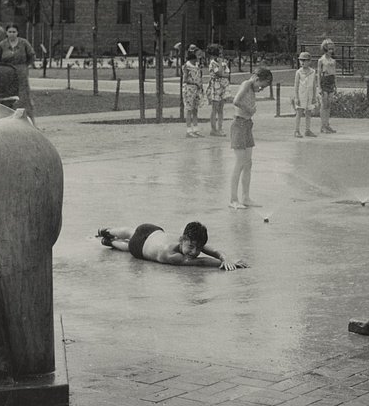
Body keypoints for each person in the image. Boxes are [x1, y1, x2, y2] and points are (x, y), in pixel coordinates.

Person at [95, 221, 247, 271]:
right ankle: (108, 236)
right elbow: (201, 262)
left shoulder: (189, 242)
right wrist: (223, 263)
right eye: (192, 247)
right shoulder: (172, 256)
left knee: (129, 235)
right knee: (129, 242)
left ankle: (107, 236)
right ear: (182, 239)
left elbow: (210, 249)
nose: (195, 252)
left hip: (149, 236)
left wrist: (227, 257)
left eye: (198, 248)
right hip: (142, 242)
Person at [229, 67, 273, 210]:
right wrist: (249, 109)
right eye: (261, 85)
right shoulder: (247, 84)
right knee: (240, 163)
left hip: (247, 125)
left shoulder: (252, 87)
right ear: (256, 78)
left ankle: (246, 197)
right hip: (239, 124)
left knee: (248, 163)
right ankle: (233, 199)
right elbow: (236, 101)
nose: (261, 89)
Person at [0, 23, 38, 123]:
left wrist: (24, 66)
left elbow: (31, 56)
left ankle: (29, 121)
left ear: (17, 33)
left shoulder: (24, 43)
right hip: (7, 73)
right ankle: (7, 120)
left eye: (14, 32)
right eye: (10, 32)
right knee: (9, 96)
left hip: (21, 73)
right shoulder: (3, 44)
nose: (12, 34)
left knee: (23, 96)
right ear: (6, 33)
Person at [292, 51, 319, 138]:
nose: (303, 62)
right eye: (301, 60)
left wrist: (314, 96)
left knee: (308, 112)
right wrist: (296, 97)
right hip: (301, 94)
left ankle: (307, 130)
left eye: (305, 60)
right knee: (299, 112)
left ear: (309, 61)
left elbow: (314, 85)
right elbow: (296, 85)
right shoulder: (298, 72)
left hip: (310, 94)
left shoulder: (313, 72)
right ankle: (296, 130)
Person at [205, 44, 230, 137]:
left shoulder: (224, 63)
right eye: (219, 53)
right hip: (215, 87)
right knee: (214, 108)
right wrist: (220, 66)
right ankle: (213, 129)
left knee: (221, 109)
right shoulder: (212, 63)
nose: (221, 55)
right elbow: (219, 73)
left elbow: (227, 74)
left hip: (222, 86)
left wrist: (222, 73)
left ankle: (220, 128)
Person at [181, 45, 204, 137]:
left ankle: (195, 129)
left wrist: (200, 86)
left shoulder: (197, 66)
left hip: (196, 90)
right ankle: (189, 130)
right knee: (189, 109)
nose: (197, 60)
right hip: (189, 89)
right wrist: (195, 83)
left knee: (195, 109)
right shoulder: (187, 66)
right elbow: (185, 79)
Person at [317, 38, 339, 134]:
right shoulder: (321, 60)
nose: (330, 51)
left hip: (331, 81)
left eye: (331, 49)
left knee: (329, 104)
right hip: (324, 81)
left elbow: (334, 74)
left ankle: (327, 124)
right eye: (328, 49)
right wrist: (319, 87)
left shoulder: (333, 61)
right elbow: (318, 74)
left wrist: (336, 85)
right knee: (324, 104)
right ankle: (323, 125)